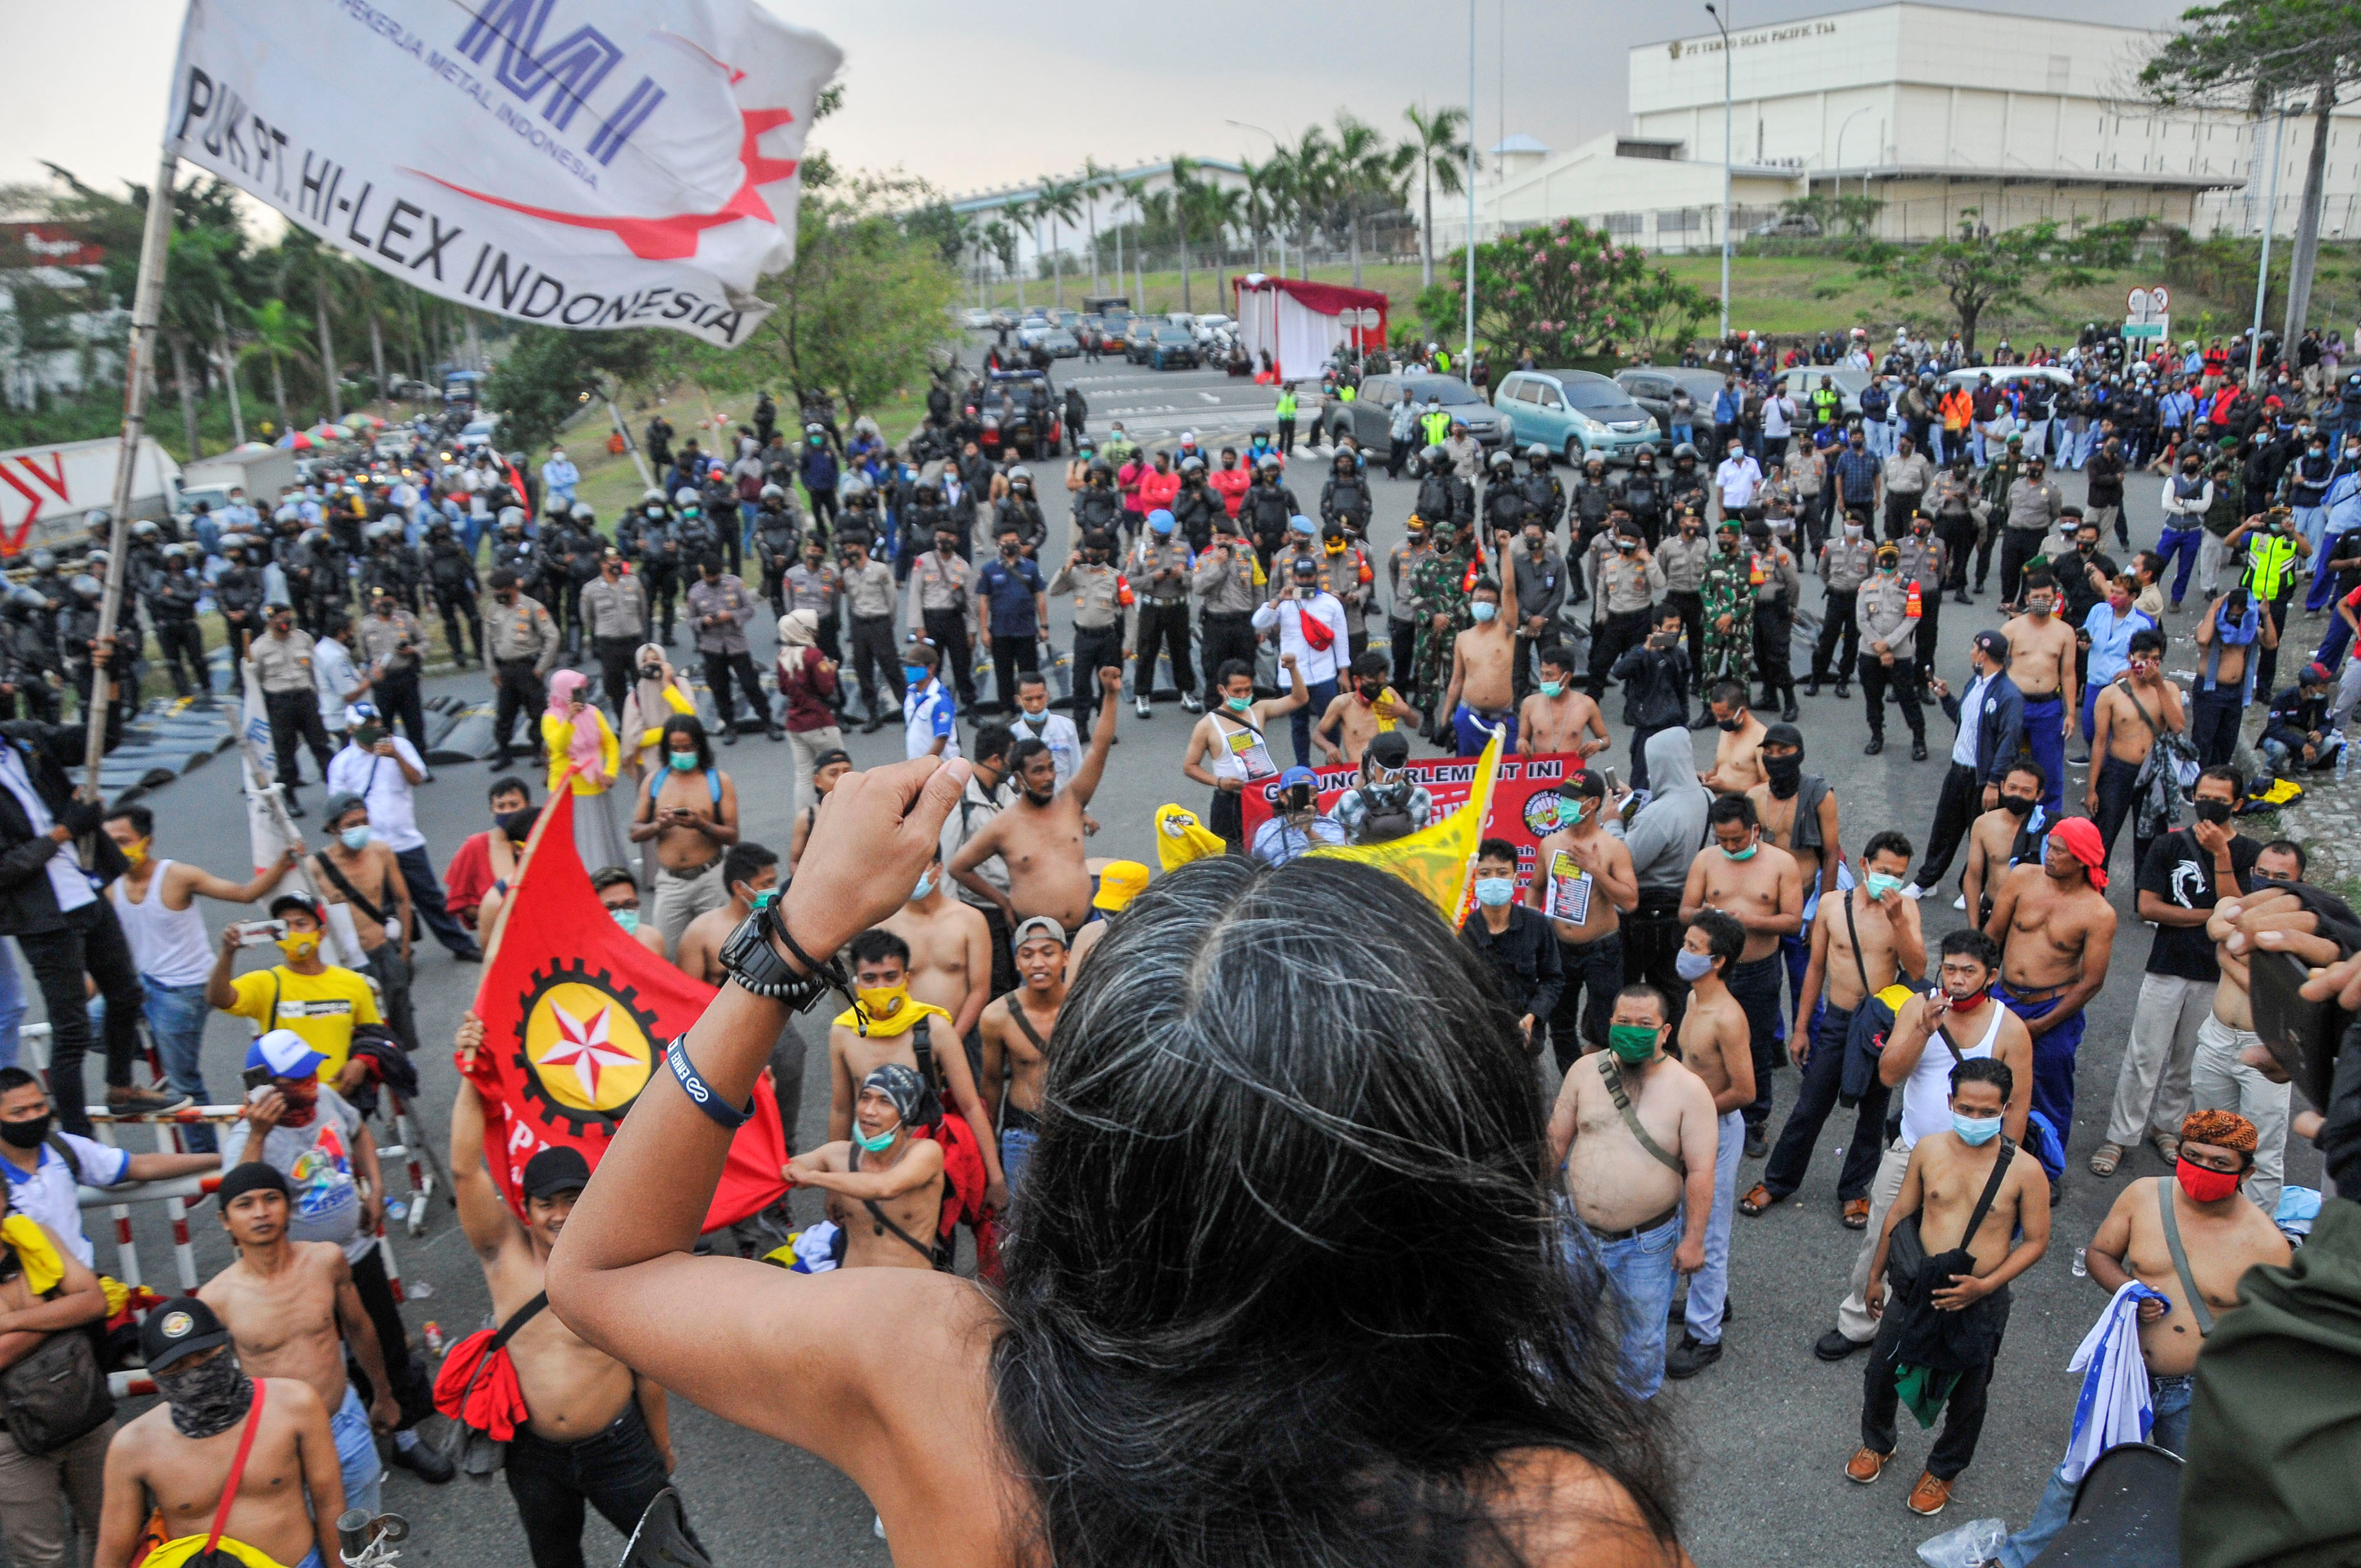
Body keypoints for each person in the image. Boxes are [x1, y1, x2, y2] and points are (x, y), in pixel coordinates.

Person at [546, 768, 1686, 1567]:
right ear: (1458, 1158)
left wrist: (793, 941)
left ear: (1093, 1149)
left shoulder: (936, 1377)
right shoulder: (1563, 1526)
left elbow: (604, 1269)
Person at [1993, 1109, 2288, 1567]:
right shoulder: (2144, 1196)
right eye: (2193, 1156)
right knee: (2081, 1473)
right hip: (2125, 1370)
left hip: (2196, 1391)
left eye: (2219, 1163)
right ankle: (2019, 1560)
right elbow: (2101, 1253)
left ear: (2246, 1171)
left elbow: (2272, 1338)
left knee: (2184, 1490)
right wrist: (2127, 1288)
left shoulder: (2266, 1243)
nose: (2203, 1169)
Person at [449, 1028, 691, 1568]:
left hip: (620, 1448)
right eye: (545, 1203)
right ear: (525, 1206)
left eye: (572, 1199)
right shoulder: (502, 1254)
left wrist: (662, 1444)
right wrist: (470, 1073)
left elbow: (647, 1371)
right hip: (533, 1458)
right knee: (555, 1560)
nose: (558, 1214)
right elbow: (465, 1168)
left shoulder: (618, 1255)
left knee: (676, 1558)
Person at [220, 1029, 449, 1482]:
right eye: (297, 1077)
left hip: (359, 1251)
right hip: (304, 1269)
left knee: (382, 1338)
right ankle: (338, 1450)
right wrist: (260, 1133)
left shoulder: (325, 1097)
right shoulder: (249, 1134)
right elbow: (240, 1193)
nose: (311, 1081)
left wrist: (377, 1187)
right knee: (323, 1354)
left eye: (311, 1071)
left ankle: (403, 1434)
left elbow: (359, 1130)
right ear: (264, 1088)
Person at [1817, 931, 2033, 1364]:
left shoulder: (2010, 1028)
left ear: (1990, 976)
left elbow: (2018, 1107)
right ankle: (1860, 1320)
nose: (1956, 980)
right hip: (1912, 1150)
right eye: (1949, 968)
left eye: (1968, 971)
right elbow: (1889, 1075)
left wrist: (2001, 1167)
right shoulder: (1919, 1006)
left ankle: (1925, 1328)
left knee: (1950, 1245)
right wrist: (1922, 1029)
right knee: (1882, 1232)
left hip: (1977, 1159)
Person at [1850, 1057, 2051, 1517]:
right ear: (1950, 1102)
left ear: (2005, 1108)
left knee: (1969, 1391)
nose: (1975, 1118)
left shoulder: (2025, 1170)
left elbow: (2037, 1241)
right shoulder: (1929, 1149)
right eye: (1966, 1108)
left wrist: (1985, 1286)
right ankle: (1877, 1443)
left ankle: (1943, 1469)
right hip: (1919, 1284)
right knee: (1881, 1370)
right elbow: (1900, 1214)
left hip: (1981, 1295)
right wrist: (1875, 1276)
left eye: (1987, 1111)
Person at [198, 1163, 400, 1518]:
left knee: (366, 1542)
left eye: (271, 1199)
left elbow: (359, 1327)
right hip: (277, 1444)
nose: (261, 1213)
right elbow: (207, 1386)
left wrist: (383, 1394)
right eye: (245, 1205)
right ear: (225, 1221)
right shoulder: (216, 1299)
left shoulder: (325, 1261)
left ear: (289, 1208)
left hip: (343, 1422)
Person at [1549, 984, 1718, 1401]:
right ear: (1609, 1023)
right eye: (1623, 1022)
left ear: (1665, 1031)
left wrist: (1694, 1240)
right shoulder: (1584, 1071)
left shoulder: (1689, 1090)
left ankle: (1634, 1411)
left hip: (1647, 1243)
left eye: (1644, 1025)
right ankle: (1557, 1407)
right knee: (1563, 1322)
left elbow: (1700, 1171)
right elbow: (1555, 1142)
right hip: (1577, 1231)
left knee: (1642, 1336)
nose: (1632, 1031)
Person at [2092, 767, 2261, 1181]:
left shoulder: (2249, 854)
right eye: (2203, 796)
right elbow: (2148, 906)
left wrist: (2221, 857)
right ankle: (2120, 1135)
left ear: (2237, 805)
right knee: (2144, 1055)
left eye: (2220, 800)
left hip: (2214, 976)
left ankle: (2167, 1127)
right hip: (2167, 965)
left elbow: (2242, 914)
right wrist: (2212, 919)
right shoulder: (2169, 844)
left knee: (2189, 1060)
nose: (2208, 805)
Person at [93, 1298, 345, 1568]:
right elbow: (114, 1551)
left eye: (205, 1355)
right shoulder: (133, 1446)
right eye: (177, 1368)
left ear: (228, 1346)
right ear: (156, 1377)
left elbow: (329, 1504)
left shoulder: (295, 1404)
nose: (195, 1372)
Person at [1752, 830, 1922, 1226]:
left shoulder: (1907, 909)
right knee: (1810, 1106)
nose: (1890, 880)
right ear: (1864, 866)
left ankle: (1854, 1189)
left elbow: (1916, 968)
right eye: (1883, 871)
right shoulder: (1831, 905)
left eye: (1898, 874)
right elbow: (1815, 968)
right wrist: (1801, 1028)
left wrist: (1898, 921)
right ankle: (1777, 1181)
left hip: (1879, 1023)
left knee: (1873, 1111)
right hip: (1838, 1020)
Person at [100, 807, 293, 1152]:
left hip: (185, 990)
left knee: (182, 1084)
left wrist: (284, 860)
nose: (116, 851)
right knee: (84, 1024)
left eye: (123, 842)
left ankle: (209, 1158)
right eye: (108, 843)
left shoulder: (178, 876)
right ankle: (159, 1047)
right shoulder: (110, 888)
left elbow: (245, 893)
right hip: (141, 986)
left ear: (147, 841)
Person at [826, 928, 1008, 1222]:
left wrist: (996, 1176)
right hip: (867, 1165)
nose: (881, 986)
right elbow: (841, 1109)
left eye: (890, 976)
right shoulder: (843, 1032)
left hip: (926, 1167)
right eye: (870, 979)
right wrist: (833, 1184)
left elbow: (971, 1105)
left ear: (907, 980)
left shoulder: (935, 1029)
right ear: (857, 985)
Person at [0, 1176, 115, 1568]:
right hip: (13, 1441)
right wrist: (60, 1313)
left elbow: (94, 1300)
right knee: (40, 1560)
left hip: (86, 1412)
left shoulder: (34, 1237)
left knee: (113, 1535)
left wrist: (11, 1322)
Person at [1679, 794, 1802, 1158]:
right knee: (1700, 1045)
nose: (1730, 846)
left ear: (1755, 830)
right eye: (1723, 840)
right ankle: (1702, 1107)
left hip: (1757, 969)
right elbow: (1685, 911)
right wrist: (1705, 914)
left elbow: (1793, 921)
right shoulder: (1706, 860)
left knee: (1757, 1047)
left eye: (1738, 839)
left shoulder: (1782, 864)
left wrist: (1750, 921)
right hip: (1712, 973)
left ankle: (1754, 1120)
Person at [0, 1067, 217, 1271]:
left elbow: (141, 1166)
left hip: (84, 1282)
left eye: (39, 1107)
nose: (33, 1117)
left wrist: (221, 1159)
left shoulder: (63, 1148)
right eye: (19, 1112)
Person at [1986, 815, 2118, 1144]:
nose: (2050, 855)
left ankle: (2046, 1168)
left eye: (2060, 852)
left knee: (2050, 1092)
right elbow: (1992, 938)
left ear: (2082, 861)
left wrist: (2042, 1026)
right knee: (1984, 1077)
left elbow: (2092, 982)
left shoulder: (2098, 912)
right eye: (2050, 847)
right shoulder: (2022, 878)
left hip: (2054, 1006)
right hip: (2005, 996)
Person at [2192, 840, 2306, 1216]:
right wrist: (2252, 965)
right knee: (2207, 1136)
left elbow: (2283, 992)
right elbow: (2215, 927)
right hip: (2218, 1037)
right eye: (2262, 873)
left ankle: (2257, 1240)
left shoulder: (2302, 927)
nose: (2268, 881)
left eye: (2281, 877)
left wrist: (2229, 961)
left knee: (2263, 1150)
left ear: (2300, 881)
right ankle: (2203, 1217)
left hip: (2265, 1046)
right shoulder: (2232, 905)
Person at [324, 705, 482, 961]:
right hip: (370, 845)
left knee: (429, 896)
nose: (372, 729)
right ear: (350, 730)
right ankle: (397, 949)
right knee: (382, 903)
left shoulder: (400, 746)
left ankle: (460, 945)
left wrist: (396, 756)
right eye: (364, 725)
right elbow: (338, 807)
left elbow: (417, 778)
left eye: (375, 723)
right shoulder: (342, 763)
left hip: (405, 840)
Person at [207, 896, 384, 1093]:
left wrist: (361, 1062)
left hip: (342, 1102)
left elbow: (375, 1035)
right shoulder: (265, 983)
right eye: (284, 926)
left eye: (301, 924)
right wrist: (228, 952)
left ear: (321, 933)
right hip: (289, 1106)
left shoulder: (353, 983)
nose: (292, 932)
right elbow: (218, 999)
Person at [787, 1063, 947, 1272]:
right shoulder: (837, 1155)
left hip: (906, 1291)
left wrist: (814, 1178)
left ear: (905, 1114)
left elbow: (886, 1187)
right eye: (865, 1098)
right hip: (851, 1287)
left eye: (885, 1102)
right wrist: (765, 1105)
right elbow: (783, 1167)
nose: (869, 1110)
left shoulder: (926, 1152)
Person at [1529, 772, 1636, 1068]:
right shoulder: (1549, 844)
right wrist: (1534, 925)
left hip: (1602, 949)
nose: (1563, 805)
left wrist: (1594, 869)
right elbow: (1535, 887)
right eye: (1561, 798)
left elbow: (1630, 901)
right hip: (1560, 948)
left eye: (1571, 800)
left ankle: (1608, 1090)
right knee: (1560, 1027)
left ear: (1593, 804)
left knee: (1608, 1027)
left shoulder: (1612, 848)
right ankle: (1573, 1088)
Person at [1909, 631, 2027, 901]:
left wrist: (1995, 782)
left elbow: (2009, 743)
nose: (1971, 653)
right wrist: (1947, 698)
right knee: (1944, 829)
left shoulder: (2010, 696)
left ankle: (1974, 887)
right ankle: (1927, 880)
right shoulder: (1975, 683)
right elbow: (1966, 721)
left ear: (1983, 655)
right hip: (1958, 770)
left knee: (1980, 835)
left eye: (1974, 649)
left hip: (1983, 778)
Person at [309, 793, 419, 1053]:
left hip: (384, 953)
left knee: (399, 1033)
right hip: (348, 963)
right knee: (360, 1040)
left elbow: (403, 901)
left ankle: (400, 1087)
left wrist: (404, 951)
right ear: (334, 829)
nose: (360, 829)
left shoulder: (381, 852)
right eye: (351, 824)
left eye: (364, 821)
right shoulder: (315, 868)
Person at [629, 714, 739, 947]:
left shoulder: (719, 781)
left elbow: (733, 835)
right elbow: (635, 831)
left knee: (722, 948)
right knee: (666, 951)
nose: (682, 753)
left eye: (687, 747)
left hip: (711, 879)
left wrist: (703, 825)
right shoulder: (654, 782)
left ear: (699, 746)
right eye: (676, 748)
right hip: (671, 883)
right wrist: (659, 825)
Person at [2085, 627, 2185, 884]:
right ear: (2130, 657)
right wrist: (2092, 788)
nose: (2148, 664)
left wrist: (2159, 685)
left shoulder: (2168, 689)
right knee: (2102, 837)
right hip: (2119, 772)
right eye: (2143, 657)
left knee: (2150, 841)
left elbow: (2178, 725)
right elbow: (2100, 742)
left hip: (2153, 775)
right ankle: (2094, 892)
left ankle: (2147, 901)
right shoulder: (2111, 694)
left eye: (2155, 659)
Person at [975, 919, 1068, 1191]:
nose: (1038, 963)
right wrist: (989, 1152)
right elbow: (991, 1082)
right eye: (1028, 955)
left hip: (1075, 1131)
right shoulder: (996, 1017)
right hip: (1022, 1132)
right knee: (1023, 1224)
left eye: (1048, 953)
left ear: (1066, 958)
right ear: (1017, 963)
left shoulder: (1085, 1006)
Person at [1458, 839, 1562, 1053]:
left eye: (1503, 873)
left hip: (1525, 1038)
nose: (1494, 880)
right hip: (1477, 1041)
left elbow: (1553, 979)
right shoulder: (1462, 932)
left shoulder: (1537, 925)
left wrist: (1533, 1016)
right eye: (1485, 873)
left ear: (1516, 879)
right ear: (1474, 877)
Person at [1253, 552, 1351, 767]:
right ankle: (1303, 767)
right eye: (1301, 576)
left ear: (1316, 575)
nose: (1305, 580)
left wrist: (1344, 673)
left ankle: (1331, 765)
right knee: (1299, 724)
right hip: (1293, 677)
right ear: (1294, 577)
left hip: (1324, 674)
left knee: (1331, 722)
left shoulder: (1331, 603)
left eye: (1309, 576)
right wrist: (1278, 599)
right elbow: (1259, 624)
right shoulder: (1284, 603)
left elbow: (1341, 641)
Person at [2002, 574, 2077, 817]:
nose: (2041, 601)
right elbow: (1996, 669)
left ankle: (2049, 820)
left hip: (2048, 707)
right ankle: (2004, 811)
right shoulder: (2011, 628)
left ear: (2056, 599)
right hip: (2015, 704)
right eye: (2036, 597)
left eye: (2047, 596)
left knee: (2050, 769)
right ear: (2027, 599)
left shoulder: (2065, 632)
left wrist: (2071, 713)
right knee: (2005, 759)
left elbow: (2067, 674)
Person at [251, 605, 338, 818]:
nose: (285, 621)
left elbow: (313, 669)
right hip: (280, 701)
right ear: (270, 621)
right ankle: (289, 797)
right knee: (285, 752)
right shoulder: (259, 648)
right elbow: (256, 678)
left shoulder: (303, 639)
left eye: (287, 616)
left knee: (321, 745)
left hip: (305, 698)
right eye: (280, 618)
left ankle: (336, 792)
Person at [1438, 546, 1523, 758]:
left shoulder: (1506, 630)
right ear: (1470, 603)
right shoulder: (1463, 638)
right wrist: (1444, 719)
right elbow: (1456, 681)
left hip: (1503, 719)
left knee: (1506, 776)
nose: (1483, 604)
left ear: (1497, 607)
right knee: (1468, 776)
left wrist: (1504, 550)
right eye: (1478, 599)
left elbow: (1510, 589)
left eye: (1489, 601)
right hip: (1468, 717)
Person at [687, 557, 782, 743]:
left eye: (714, 575)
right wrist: (704, 622)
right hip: (712, 647)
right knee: (719, 687)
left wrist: (730, 616)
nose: (711, 579)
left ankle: (768, 722)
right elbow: (691, 621)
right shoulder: (696, 592)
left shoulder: (735, 585)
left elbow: (749, 610)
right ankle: (729, 725)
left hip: (736, 644)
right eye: (708, 576)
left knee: (750, 684)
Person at [1856, 543, 1927, 759]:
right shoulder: (1867, 585)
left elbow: (1913, 617)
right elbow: (1861, 619)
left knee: (1907, 697)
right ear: (1877, 558)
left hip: (1900, 651)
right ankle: (1876, 736)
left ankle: (1918, 739)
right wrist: (1879, 646)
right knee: (1873, 697)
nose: (1887, 562)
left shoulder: (1911, 586)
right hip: (1870, 651)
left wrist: (1889, 644)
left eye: (1892, 557)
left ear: (1898, 559)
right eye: (1884, 557)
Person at [2189, 587, 2274, 768]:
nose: (2235, 618)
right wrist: (2213, 609)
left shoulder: (2248, 632)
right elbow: (2203, 639)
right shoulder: (2212, 625)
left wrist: (2266, 615)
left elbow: (2271, 643)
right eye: (2232, 613)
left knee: (2226, 743)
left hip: (2235, 693)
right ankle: (2196, 783)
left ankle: (2218, 778)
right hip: (2210, 692)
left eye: (2240, 613)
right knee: (2203, 742)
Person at [486, 569, 562, 770]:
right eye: (495, 590)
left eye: (501, 590)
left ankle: (539, 751)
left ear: (513, 588)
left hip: (528, 667)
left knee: (537, 712)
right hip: (505, 669)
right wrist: (492, 670)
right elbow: (487, 642)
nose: (497, 594)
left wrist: (541, 667)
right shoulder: (493, 610)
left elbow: (552, 636)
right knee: (504, 714)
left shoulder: (532, 607)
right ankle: (503, 753)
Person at [977, 524, 1049, 717]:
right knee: (1004, 674)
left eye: (1014, 541)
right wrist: (984, 630)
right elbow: (983, 600)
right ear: (998, 544)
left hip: (1026, 630)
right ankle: (1007, 710)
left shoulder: (1031, 568)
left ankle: (1031, 708)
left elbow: (1040, 597)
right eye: (1006, 542)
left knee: (1029, 673)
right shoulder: (989, 569)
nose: (1010, 545)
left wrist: (1044, 625)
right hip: (1000, 631)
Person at [580, 549, 651, 718]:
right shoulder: (591, 589)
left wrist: (633, 627)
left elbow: (643, 611)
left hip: (633, 641)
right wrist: (605, 630)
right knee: (616, 688)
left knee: (642, 684)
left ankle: (647, 719)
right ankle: (624, 722)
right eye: (612, 560)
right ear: (603, 564)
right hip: (609, 645)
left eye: (619, 559)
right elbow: (587, 618)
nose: (617, 563)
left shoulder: (633, 583)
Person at [1312, 650, 1409, 767]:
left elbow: (1414, 723)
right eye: (1372, 685)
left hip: (1389, 770)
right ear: (1357, 681)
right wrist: (1329, 747)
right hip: (1359, 772)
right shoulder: (1343, 704)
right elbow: (1317, 734)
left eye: (1381, 685)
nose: (1377, 690)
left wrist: (1406, 712)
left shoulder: (1389, 695)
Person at [1698, 682, 1768, 794]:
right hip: (1719, 804)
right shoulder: (1727, 732)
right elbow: (1720, 769)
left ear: (1742, 712)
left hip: (1742, 807)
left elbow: (1769, 786)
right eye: (1717, 716)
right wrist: (1707, 777)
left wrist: (1728, 789)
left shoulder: (1761, 739)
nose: (1720, 721)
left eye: (1724, 716)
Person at [591, 865, 669, 958]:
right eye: (611, 907)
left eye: (628, 905)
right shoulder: (582, 946)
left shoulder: (652, 940)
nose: (622, 914)